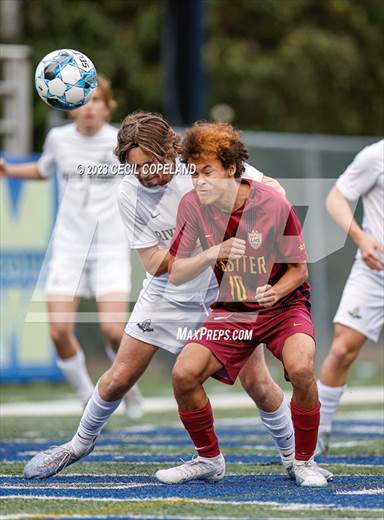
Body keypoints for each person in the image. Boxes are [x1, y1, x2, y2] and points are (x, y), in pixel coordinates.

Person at [23, 112, 326, 482]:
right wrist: (212, 251)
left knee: (259, 384)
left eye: (153, 162)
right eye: (136, 167)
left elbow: (270, 189)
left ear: (171, 150)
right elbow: (155, 263)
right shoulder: (129, 192)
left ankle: (294, 458)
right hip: (169, 289)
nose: (146, 173)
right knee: (119, 376)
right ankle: (77, 445)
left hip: (226, 290)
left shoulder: (200, 166)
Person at [155, 122, 329, 487]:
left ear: (231, 169)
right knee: (183, 375)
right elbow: (175, 273)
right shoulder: (192, 206)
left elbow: (298, 271)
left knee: (301, 369)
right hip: (232, 310)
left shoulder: (272, 202)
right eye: (193, 172)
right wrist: (212, 253)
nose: (198, 181)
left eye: (207, 172)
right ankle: (208, 460)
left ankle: (305, 461)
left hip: (284, 309)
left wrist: (276, 292)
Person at [0, 76, 142, 417]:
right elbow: (44, 169)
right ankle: (85, 395)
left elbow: (147, 176)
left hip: (110, 247)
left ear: (108, 107)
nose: (89, 107)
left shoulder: (121, 142)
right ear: (69, 106)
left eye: (96, 100)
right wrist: (8, 170)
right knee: (59, 329)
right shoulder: (58, 139)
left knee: (112, 330)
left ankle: (128, 385)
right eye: (82, 100)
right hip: (68, 248)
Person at [317, 140, 384, 453]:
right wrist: (361, 238)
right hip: (375, 270)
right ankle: (317, 434)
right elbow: (336, 198)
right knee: (343, 348)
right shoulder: (375, 156)